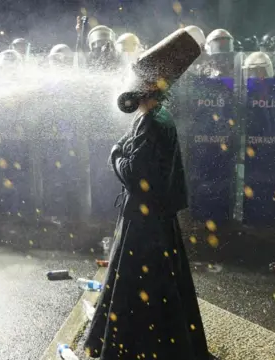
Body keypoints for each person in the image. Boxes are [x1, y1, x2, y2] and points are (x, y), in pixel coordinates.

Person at [85, 27, 211, 360]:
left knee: (134, 286)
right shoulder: (159, 116)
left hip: (143, 223)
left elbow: (134, 175)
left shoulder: (151, 122)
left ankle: (130, 347)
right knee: (166, 286)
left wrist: (115, 154)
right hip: (158, 219)